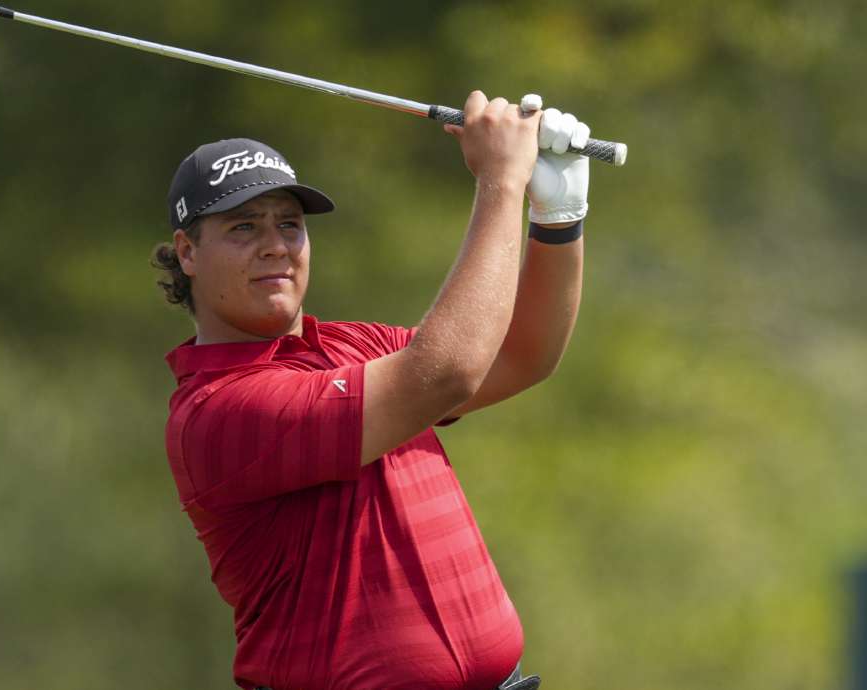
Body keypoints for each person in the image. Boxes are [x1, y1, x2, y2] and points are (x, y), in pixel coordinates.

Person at [153, 90, 590, 690]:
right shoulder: (216, 411)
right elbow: (444, 372)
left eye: (289, 224)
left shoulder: (352, 345)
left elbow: (521, 355)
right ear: (187, 253)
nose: (276, 244)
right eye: (243, 227)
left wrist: (559, 219)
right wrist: (500, 183)